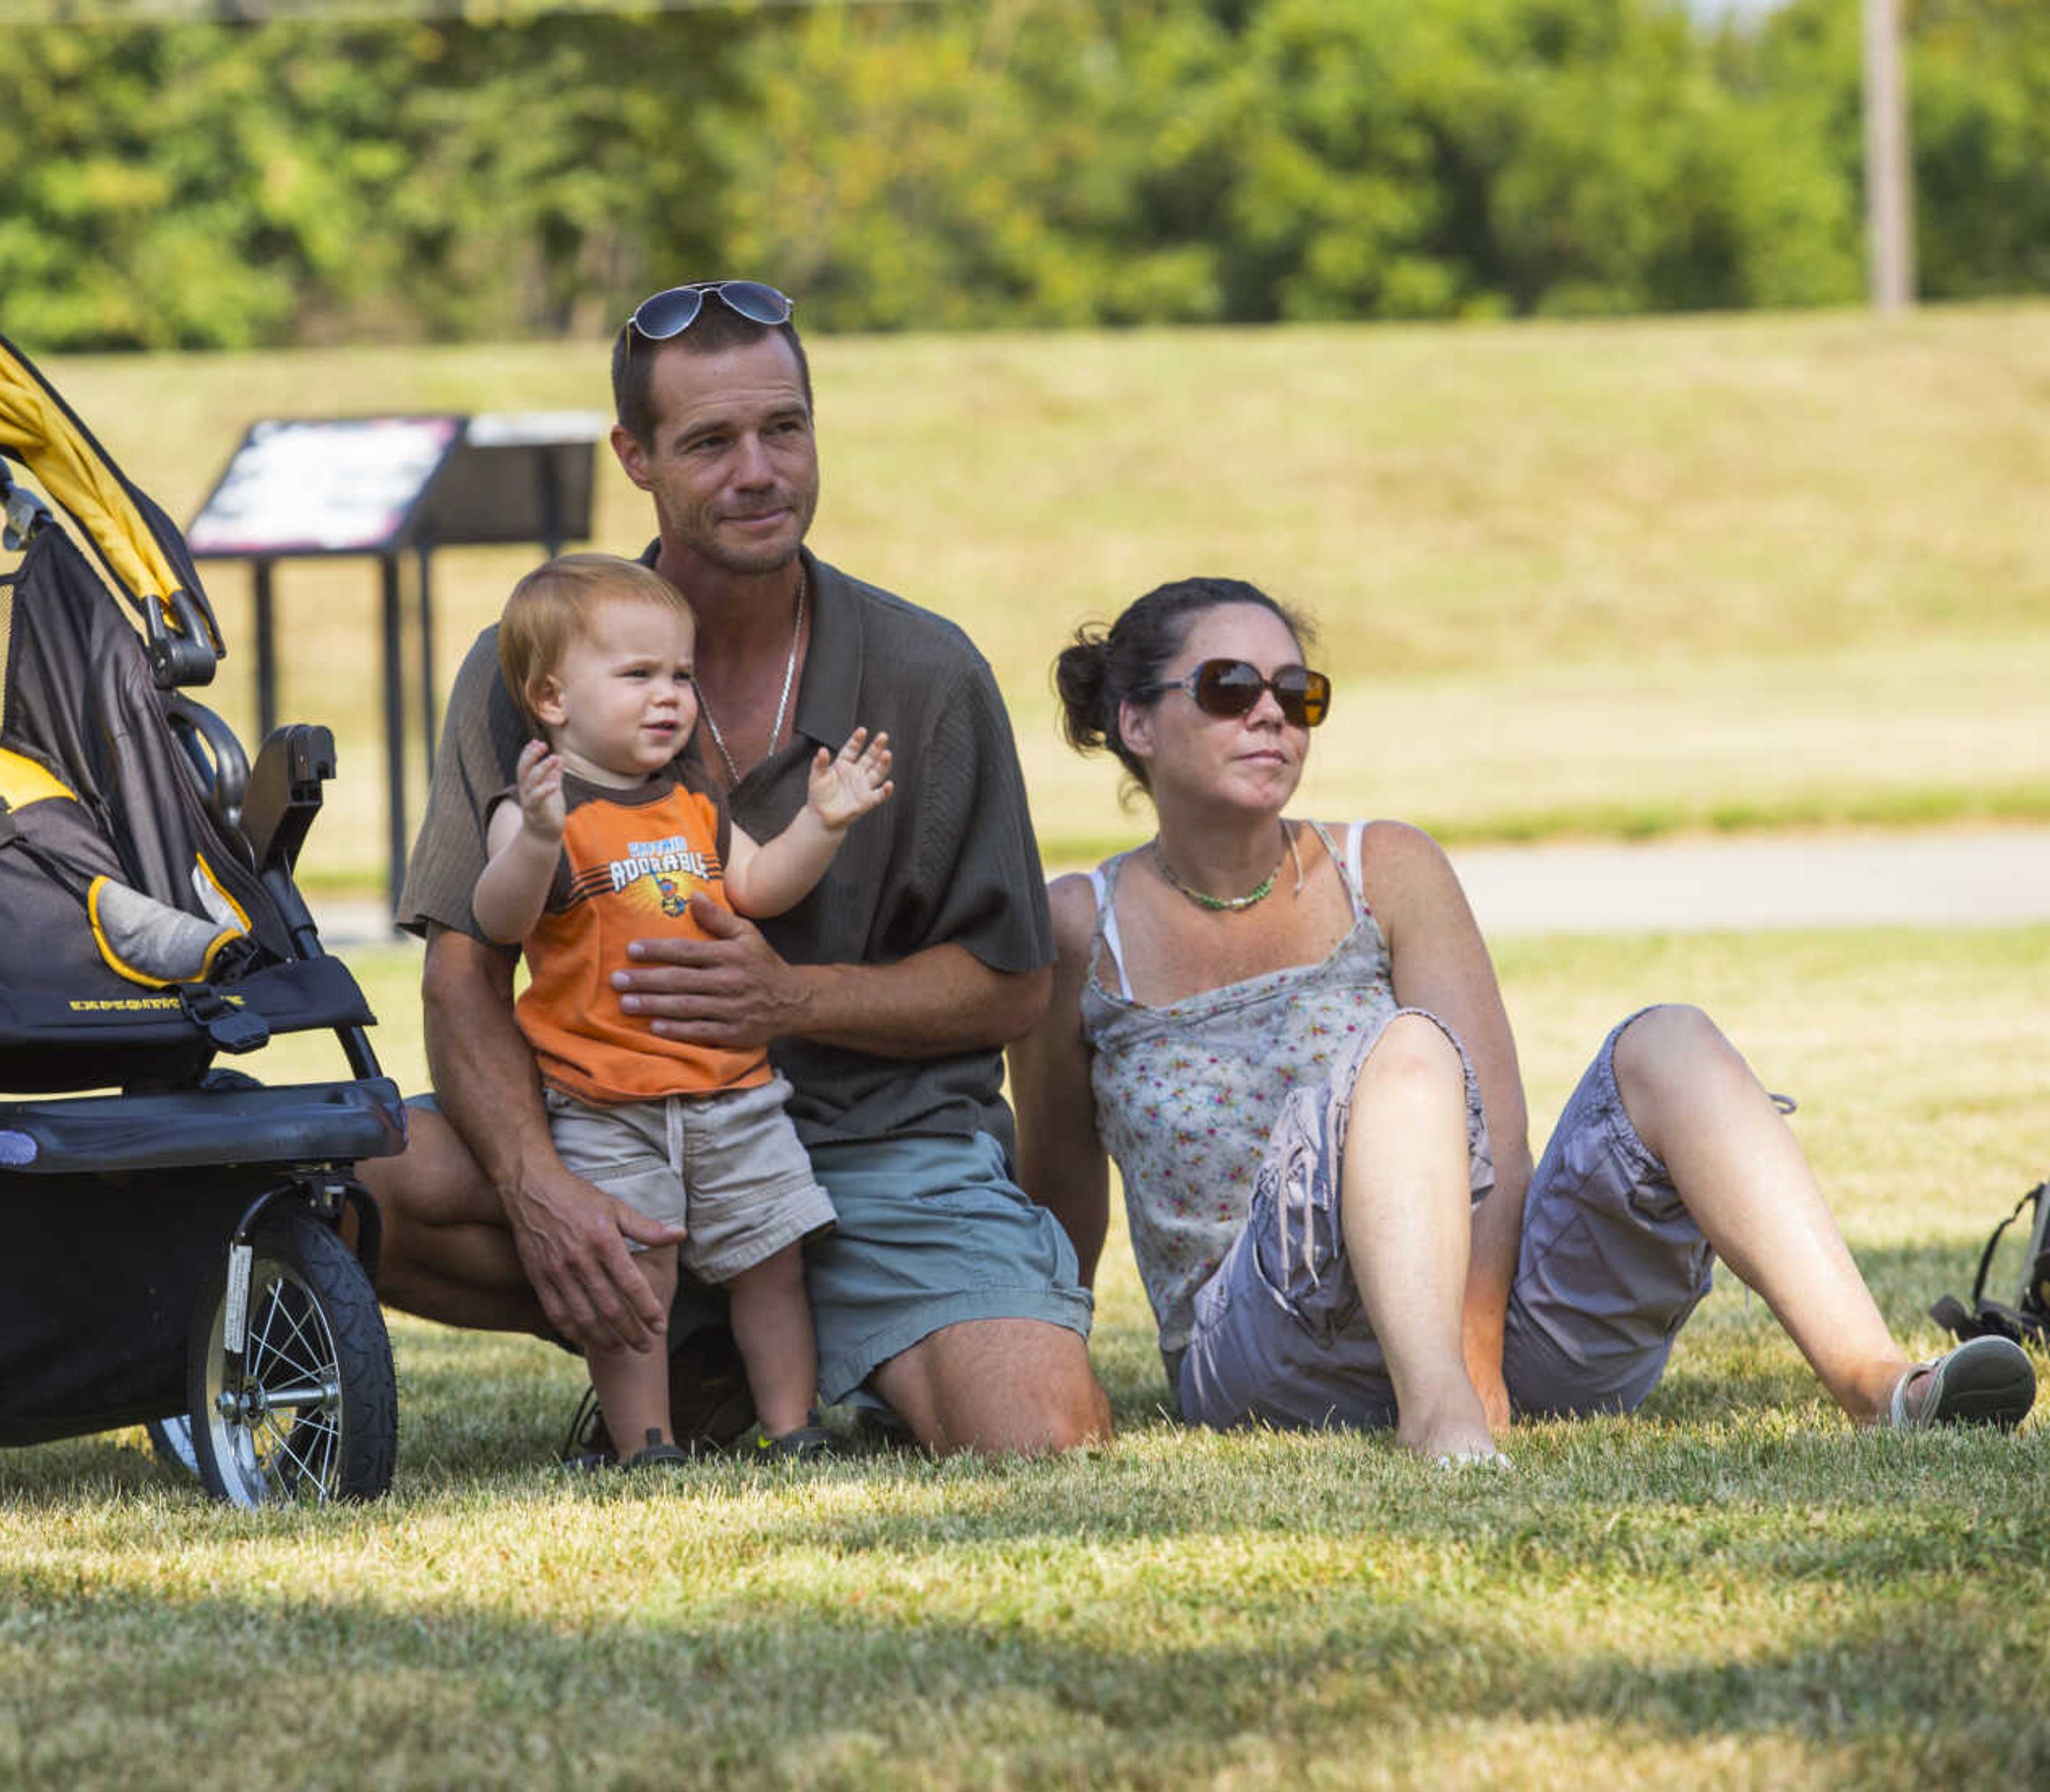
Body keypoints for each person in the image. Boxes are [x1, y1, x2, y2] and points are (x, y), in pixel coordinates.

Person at [1008, 576, 2037, 1461]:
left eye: (1297, 692)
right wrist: (1047, 1366)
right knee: (1405, 1054)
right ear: (1135, 724)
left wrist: (1479, 1343)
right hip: (1273, 1355)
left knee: (1667, 1039)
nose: (1271, 714)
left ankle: (1879, 1385)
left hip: (1478, 1337)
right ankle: (1435, 1416)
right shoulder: (1076, 928)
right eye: (1230, 688)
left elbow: (1494, 1126)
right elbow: (1058, 1178)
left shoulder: (1388, 868)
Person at [371, 278, 1110, 1455]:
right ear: (636, 457)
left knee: (1043, 1434)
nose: (760, 471)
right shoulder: (530, 665)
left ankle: (798, 1349)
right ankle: (707, 1350)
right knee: (364, 1177)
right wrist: (536, 1185)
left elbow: (1013, 985)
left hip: (883, 1152)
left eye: (786, 429)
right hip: (610, 1139)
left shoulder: (928, 674)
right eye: (710, 442)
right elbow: (464, 976)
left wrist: (790, 999)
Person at [469, 551, 895, 1464]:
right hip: (606, 1102)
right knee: (639, 1277)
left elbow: (759, 886)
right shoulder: (544, 811)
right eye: (638, 676)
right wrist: (537, 838)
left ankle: (793, 1428)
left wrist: (822, 822)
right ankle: (647, 1443)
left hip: (730, 1092)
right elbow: (496, 917)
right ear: (552, 698)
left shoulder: (692, 805)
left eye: (681, 675)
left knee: (772, 1261)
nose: (671, 697)